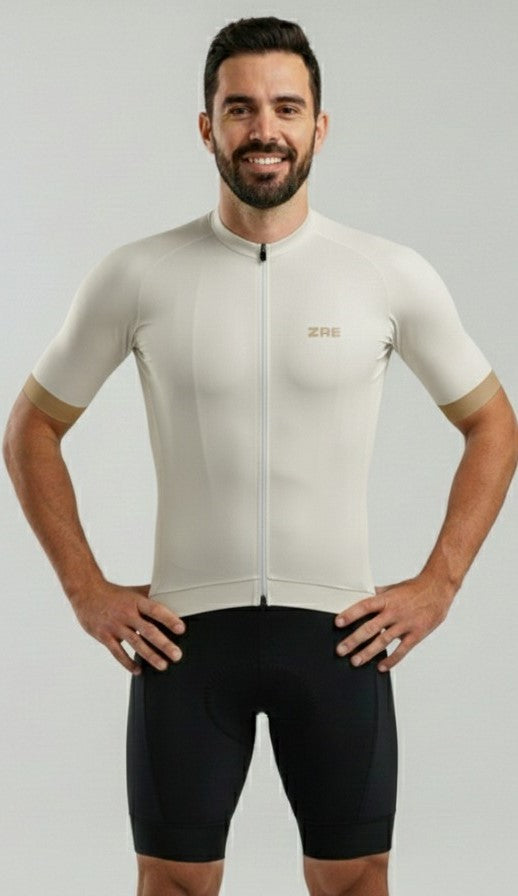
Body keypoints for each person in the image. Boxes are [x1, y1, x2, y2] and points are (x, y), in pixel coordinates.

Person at [3, 14, 517, 896]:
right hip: (186, 643)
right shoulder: (138, 274)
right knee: (172, 883)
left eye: (287, 107)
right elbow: (30, 430)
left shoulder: (386, 274)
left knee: (355, 880)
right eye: (241, 108)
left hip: (340, 639)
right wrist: (85, 589)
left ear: (321, 125)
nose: (264, 128)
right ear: (208, 126)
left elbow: (494, 425)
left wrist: (440, 583)